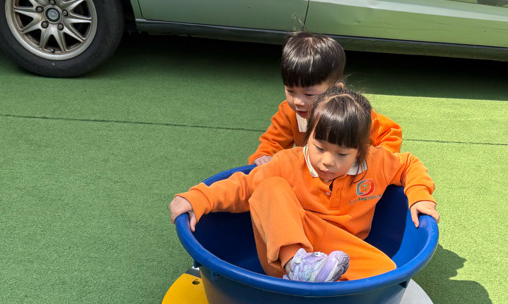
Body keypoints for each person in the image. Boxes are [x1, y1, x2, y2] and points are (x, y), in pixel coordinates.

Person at [170, 87, 438, 283]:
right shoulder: (288, 162)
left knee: (386, 271)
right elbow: (243, 186)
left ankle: (320, 289)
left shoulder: (376, 162)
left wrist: (420, 196)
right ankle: (298, 267)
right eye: (319, 148)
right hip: (286, 251)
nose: (327, 161)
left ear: (361, 150)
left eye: (342, 154)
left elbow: (409, 164)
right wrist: (199, 198)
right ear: (308, 136)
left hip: (339, 251)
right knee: (270, 187)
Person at [248, 32, 402, 166]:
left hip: (350, 176)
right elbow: (273, 141)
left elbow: (389, 133)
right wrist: (265, 155)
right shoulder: (289, 113)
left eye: (309, 94)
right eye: (290, 91)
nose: (298, 102)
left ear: (335, 90)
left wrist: (372, 161)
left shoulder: (353, 112)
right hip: (316, 174)